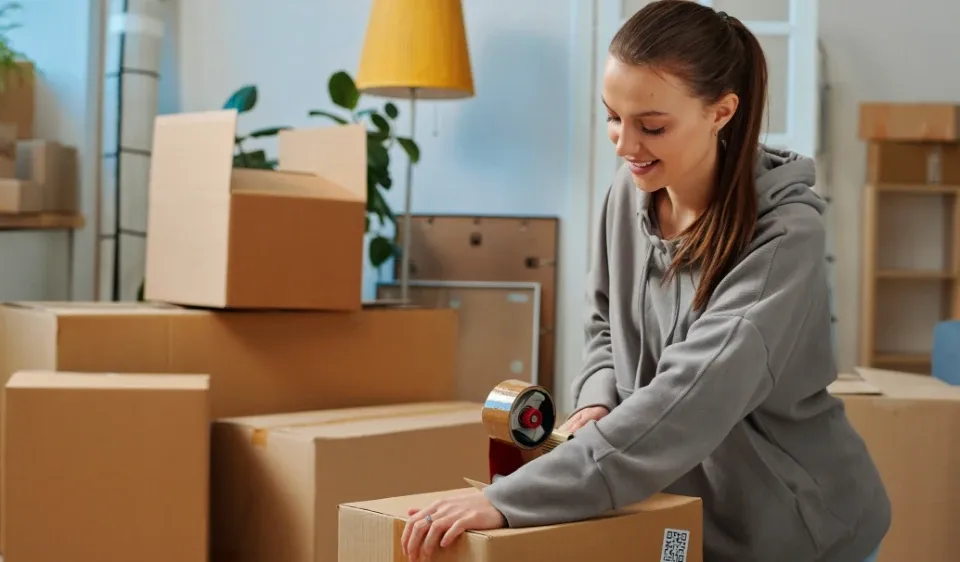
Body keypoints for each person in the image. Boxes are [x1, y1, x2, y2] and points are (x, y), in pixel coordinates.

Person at [400, 2, 891, 561]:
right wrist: (597, 401)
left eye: (652, 126)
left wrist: (513, 499)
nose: (624, 145)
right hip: (677, 515)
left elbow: (692, 396)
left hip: (796, 532)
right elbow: (604, 324)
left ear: (721, 112)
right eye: (613, 116)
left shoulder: (784, 237)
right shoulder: (628, 190)